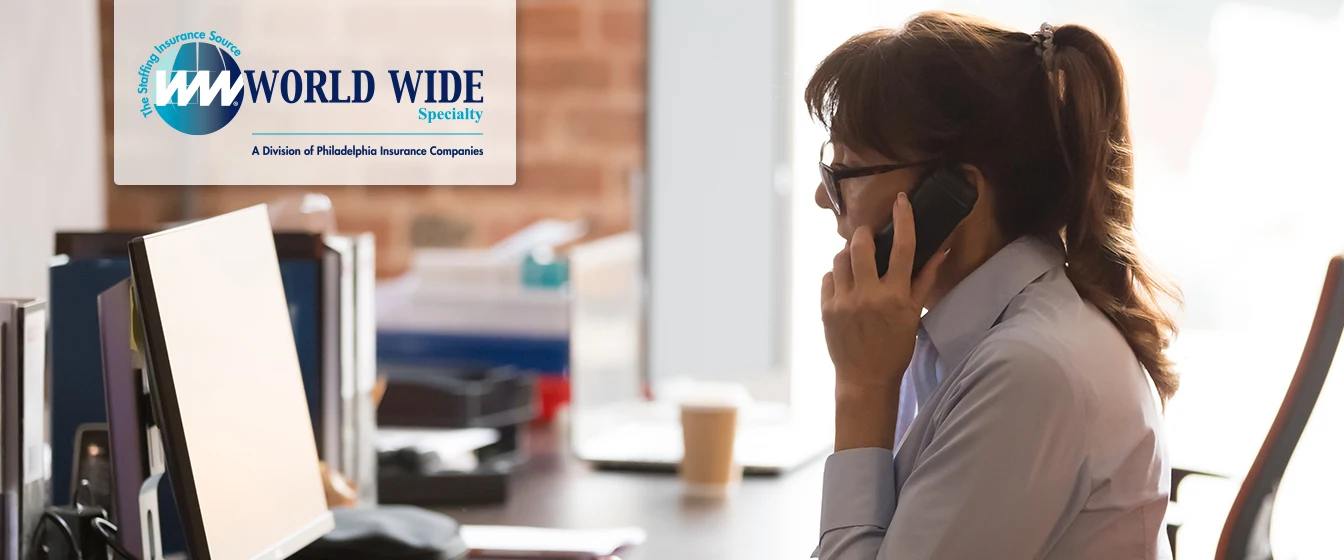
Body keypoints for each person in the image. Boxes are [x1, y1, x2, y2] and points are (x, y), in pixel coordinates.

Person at [812, 12, 1179, 560]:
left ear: (954, 195)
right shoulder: (974, 343)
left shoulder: (1030, 371)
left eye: (847, 172)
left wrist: (861, 389)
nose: (824, 199)